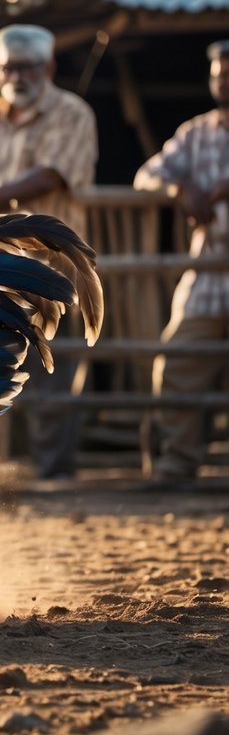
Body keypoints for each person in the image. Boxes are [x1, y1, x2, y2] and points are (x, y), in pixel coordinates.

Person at [0, 24, 98, 481]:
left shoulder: (73, 113)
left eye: (27, 67)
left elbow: (50, 177)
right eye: (9, 67)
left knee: (52, 377)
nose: (17, 76)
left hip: (51, 269)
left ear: (48, 68)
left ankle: (53, 478)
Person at [133, 40, 229, 485]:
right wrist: (180, 188)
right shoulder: (197, 132)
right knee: (177, 363)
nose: (223, 79)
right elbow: (147, 174)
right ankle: (175, 466)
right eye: (218, 72)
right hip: (208, 269)